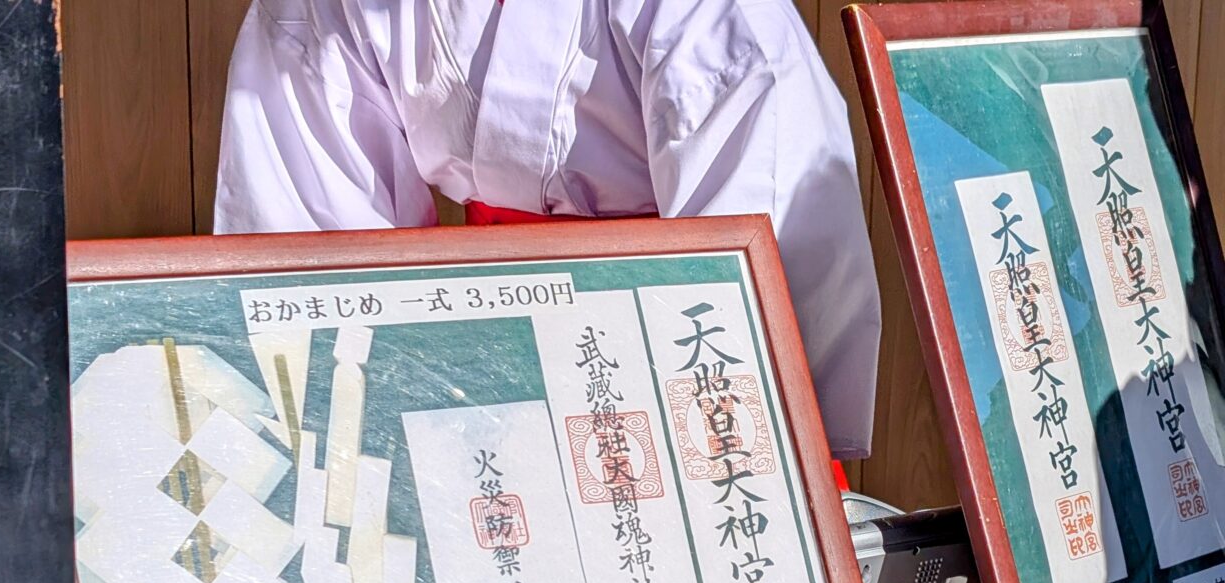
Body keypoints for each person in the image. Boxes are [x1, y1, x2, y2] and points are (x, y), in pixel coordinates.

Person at [214, 0, 881, 461]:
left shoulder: (715, 13)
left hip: (675, 339)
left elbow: (761, 257)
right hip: (470, 354)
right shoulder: (329, 13)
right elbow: (311, 256)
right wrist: (367, 428)